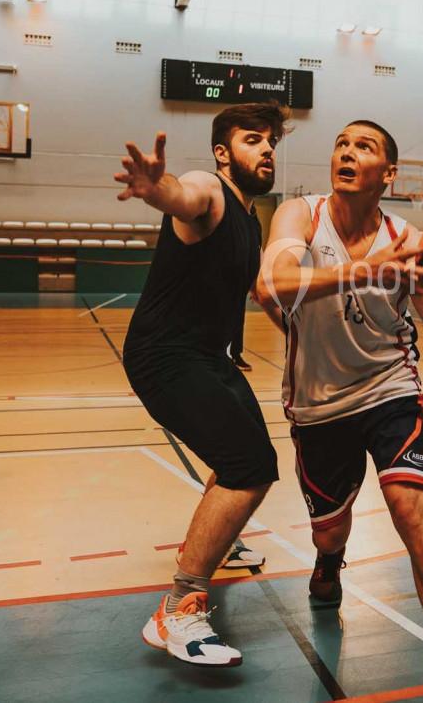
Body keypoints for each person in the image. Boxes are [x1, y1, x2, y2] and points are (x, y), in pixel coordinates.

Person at [256, 120, 423, 703]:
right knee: (330, 528)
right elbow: (272, 285)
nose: (347, 152)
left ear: (387, 174)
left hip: (390, 388)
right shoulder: (299, 215)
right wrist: (363, 271)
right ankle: (330, 559)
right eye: (341, 143)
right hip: (318, 402)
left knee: (409, 508)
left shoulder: (413, 239)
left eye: (363, 147)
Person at [116, 103, 287, 667]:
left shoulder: (249, 217)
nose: (266, 150)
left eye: (272, 142)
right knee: (251, 467)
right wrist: (156, 189)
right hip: (165, 355)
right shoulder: (208, 193)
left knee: (241, 457)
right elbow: (181, 197)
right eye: (252, 140)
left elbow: (248, 291)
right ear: (222, 152)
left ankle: (220, 537)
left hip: (209, 356)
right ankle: (179, 606)